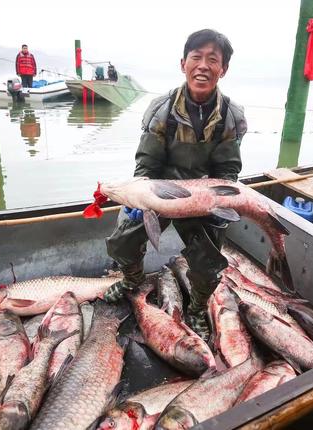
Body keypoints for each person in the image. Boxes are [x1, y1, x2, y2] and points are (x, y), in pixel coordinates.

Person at [103, 29, 247, 341]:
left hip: (203, 198)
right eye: (196, 57)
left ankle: (196, 307)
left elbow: (228, 170)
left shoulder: (231, 116)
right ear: (183, 63)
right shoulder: (161, 109)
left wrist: (212, 202)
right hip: (161, 191)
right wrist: (141, 197)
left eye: (213, 60)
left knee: (209, 261)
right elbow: (146, 164)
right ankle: (132, 280)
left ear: (223, 69)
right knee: (122, 238)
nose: (203, 65)